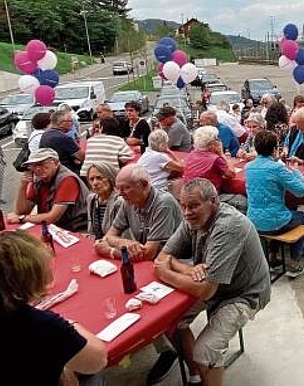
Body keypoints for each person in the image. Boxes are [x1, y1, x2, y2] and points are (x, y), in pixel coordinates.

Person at [154, 178, 271, 386]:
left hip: (244, 294)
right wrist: (188, 269)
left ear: (213, 202)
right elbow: (164, 257)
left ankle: (206, 373)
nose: (187, 211)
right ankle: (196, 375)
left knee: (205, 349)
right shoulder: (192, 219)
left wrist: (167, 273)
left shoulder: (227, 226)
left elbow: (206, 290)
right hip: (215, 286)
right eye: (183, 206)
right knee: (169, 321)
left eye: (194, 205)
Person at [95, 164, 183, 384]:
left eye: (125, 189)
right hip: (148, 265)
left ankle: (167, 348)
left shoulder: (163, 203)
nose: (120, 194)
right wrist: (126, 245)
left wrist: (113, 250)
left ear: (144, 185)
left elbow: (149, 252)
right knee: (114, 293)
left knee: (140, 302)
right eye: (118, 189)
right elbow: (110, 235)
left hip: (176, 266)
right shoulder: (127, 202)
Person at [0, 230, 107, 386]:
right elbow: (97, 360)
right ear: (31, 277)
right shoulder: (40, 324)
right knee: (91, 375)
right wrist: (71, 324)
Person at [246, 130, 304, 277]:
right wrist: (295, 171)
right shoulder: (277, 168)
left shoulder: (248, 167)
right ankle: (294, 263)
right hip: (274, 220)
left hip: (253, 219)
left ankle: (272, 257)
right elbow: (301, 191)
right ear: (275, 149)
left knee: (279, 215)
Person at [8, 148, 90, 231]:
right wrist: (23, 186)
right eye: (33, 165)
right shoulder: (38, 179)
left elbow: (52, 218)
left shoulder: (67, 179)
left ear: (56, 163)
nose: (38, 169)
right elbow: (21, 211)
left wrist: (22, 218)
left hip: (76, 229)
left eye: (42, 163)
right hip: (53, 228)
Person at [183, 125, 247, 214]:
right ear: (212, 144)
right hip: (207, 198)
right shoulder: (215, 159)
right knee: (243, 201)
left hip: (190, 195)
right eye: (217, 139)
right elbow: (232, 174)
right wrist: (221, 153)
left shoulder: (192, 154)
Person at [86, 162, 125, 240]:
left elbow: (124, 236)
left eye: (99, 178)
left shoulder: (120, 202)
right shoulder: (91, 199)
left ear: (110, 178)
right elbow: (91, 232)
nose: (95, 183)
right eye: (91, 179)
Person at [39, 109, 85, 175]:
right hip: (67, 172)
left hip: (51, 170)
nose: (72, 123)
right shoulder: (63, 137)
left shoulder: (45, 134)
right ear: (61, 123)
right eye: (70, 121)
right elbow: (82, 156)